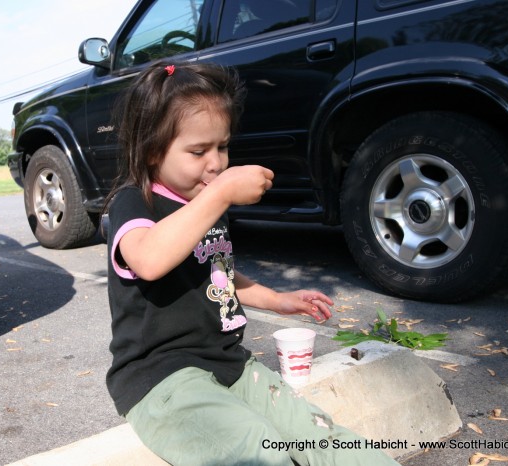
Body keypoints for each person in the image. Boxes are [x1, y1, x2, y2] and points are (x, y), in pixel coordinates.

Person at [104, 61, 398, 466]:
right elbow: (150, 259)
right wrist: (221, 193)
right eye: (198, 151)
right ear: (154, 151)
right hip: (164, 380)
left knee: (320, 435)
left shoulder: (205, 204)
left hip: (229, 365)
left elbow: (216, 274)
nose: (215, 163)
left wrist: (276, 300)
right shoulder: (136, 202)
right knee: (258, 450)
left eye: (222, 147)